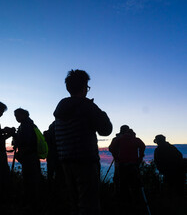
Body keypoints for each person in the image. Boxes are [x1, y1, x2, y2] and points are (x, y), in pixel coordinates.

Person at [53, 69, 112, 215]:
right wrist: (99, 112)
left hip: (66, 161)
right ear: (85, 87)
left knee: (75, 203)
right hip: (85, 161)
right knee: (90, 204)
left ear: (68, 88)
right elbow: (106, 129)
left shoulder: (61, 109)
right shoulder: (86, 106)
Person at [109, 127, 145, 206]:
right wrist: (140, 157)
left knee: (121, 183)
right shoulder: (135, 139)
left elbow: (111, 148)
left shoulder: (117, 139)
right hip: (134, 164)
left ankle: (123, 202)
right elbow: (143, 146)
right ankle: (137, 202)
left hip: (121, 164)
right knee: (135, 184)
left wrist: (116, 157)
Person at [13, 108, 42, 204]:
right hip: (30, 155)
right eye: (15, 116)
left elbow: (26, 141)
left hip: (29, 156)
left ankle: (32, 201)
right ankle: (33, 200)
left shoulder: (26, 125)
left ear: (23, 115)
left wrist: (15, 137)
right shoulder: (27, 124)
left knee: (30, 179)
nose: (16, 118)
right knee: (32, 178)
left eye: (17, 115)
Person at [108, 125, 130, 195]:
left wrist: (115, 156)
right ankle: (122, 193)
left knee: (118, 177)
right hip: (126, 161)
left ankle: (118, 193)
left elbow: (111, 148)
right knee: (123, 177)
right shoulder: (130, 138)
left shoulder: (116, 138)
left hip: (119, 160)